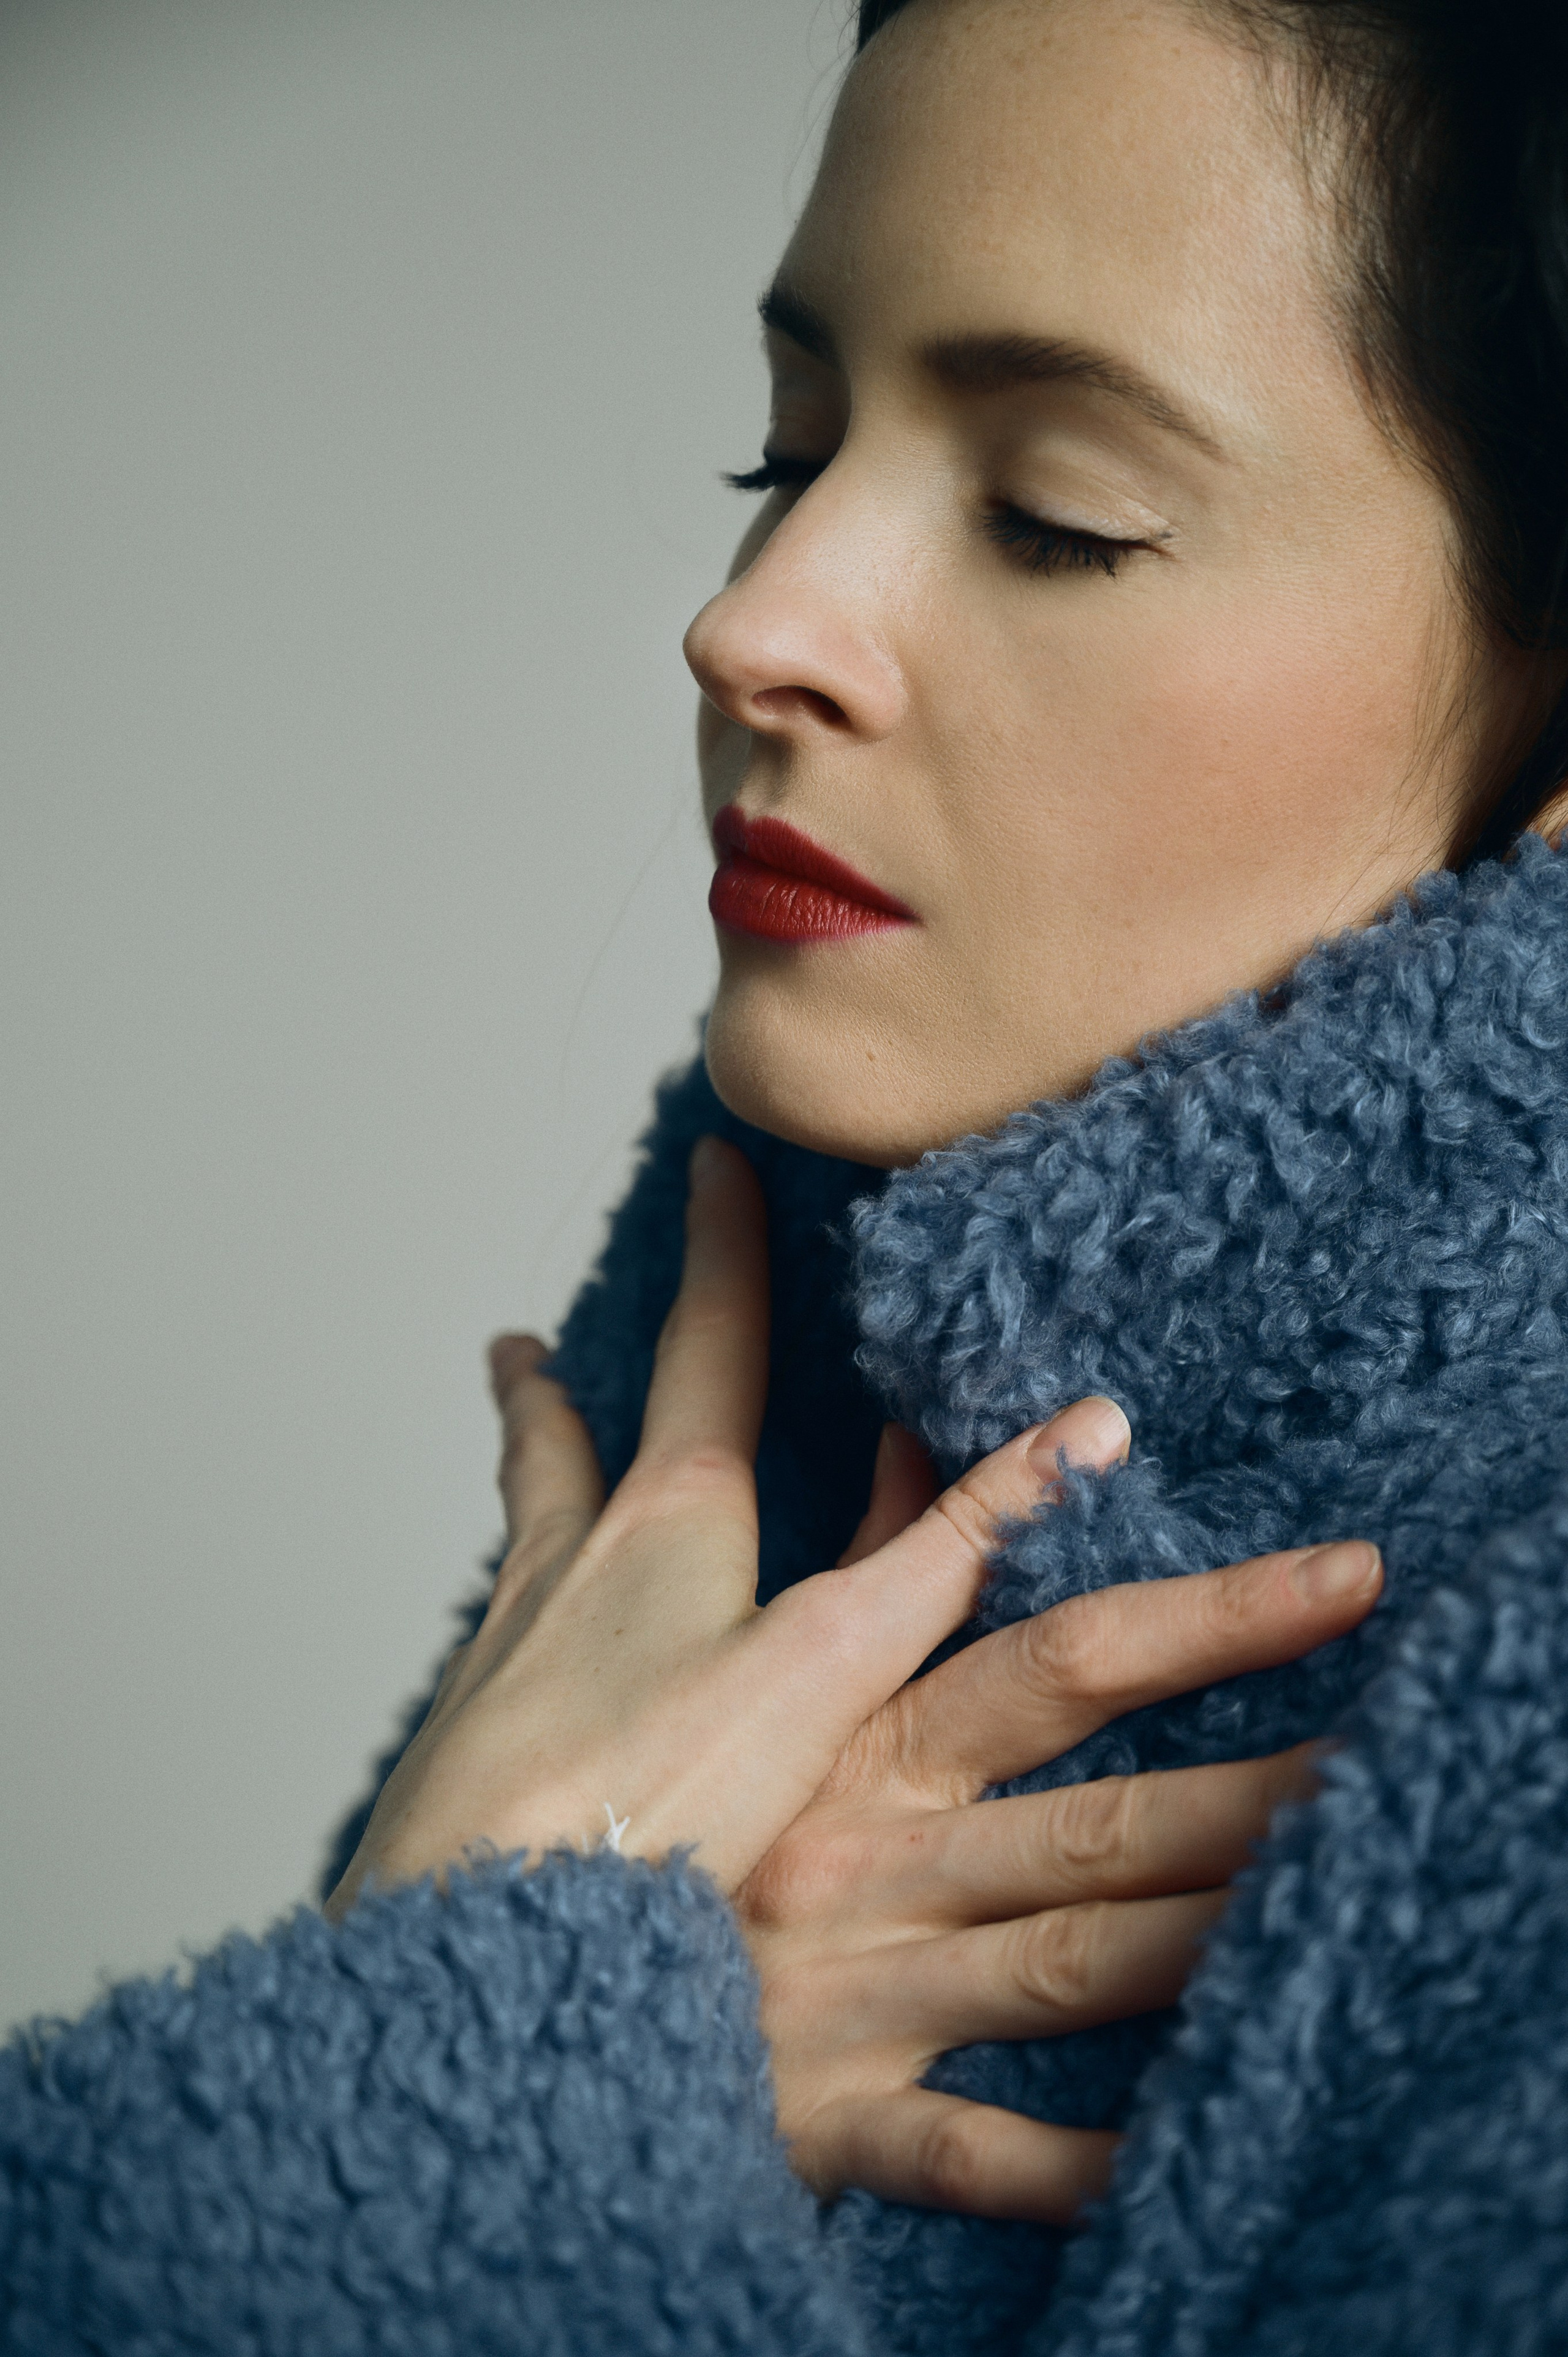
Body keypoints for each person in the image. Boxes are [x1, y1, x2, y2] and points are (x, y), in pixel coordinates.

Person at [8, 0, 1568, 2348]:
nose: (751, 624)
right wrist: (543, 1981)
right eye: (789, 445)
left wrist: (486, 1995)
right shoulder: (725, 1440)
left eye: (1059, 508)